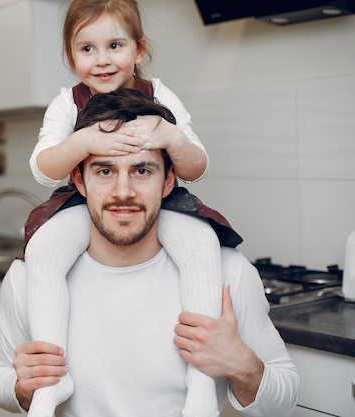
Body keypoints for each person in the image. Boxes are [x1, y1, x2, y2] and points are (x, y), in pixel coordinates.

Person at [0, 89, 300, 417]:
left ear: (168, 180)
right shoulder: (32, 277)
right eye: (105, 172)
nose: (123, 191)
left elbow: (285, 403)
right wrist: (22, 388)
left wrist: (243, 366)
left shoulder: (228, 273)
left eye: (142, 171)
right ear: (79, 180)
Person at [23, 1, 241, 416]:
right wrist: (82, 143)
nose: (101, 60)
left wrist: (170, 136)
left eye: (115, 45)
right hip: (83, 201)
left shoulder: (159, 94)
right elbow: (43, 170)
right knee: (44, 249)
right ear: (71, 56)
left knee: (200, 243)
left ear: (138, 50)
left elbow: (195, 168)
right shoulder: (67, 104)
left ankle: (200, 384)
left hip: (160, 200)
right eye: (86, 49)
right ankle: (52, 382)